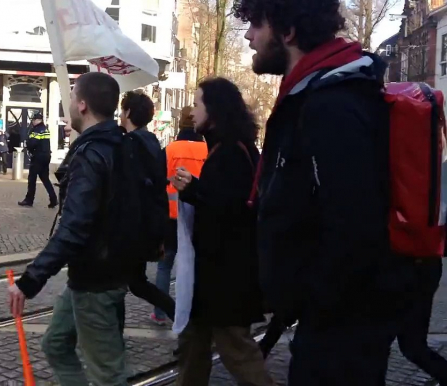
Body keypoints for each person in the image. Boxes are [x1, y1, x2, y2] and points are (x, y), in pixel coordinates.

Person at [233, 0, 416, 384]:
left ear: (288, 31)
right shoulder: (316, 95)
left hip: (340, 332)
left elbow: (353, 226)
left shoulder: (329, 105)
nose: (249, 36)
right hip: (333, 322)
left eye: (255, 24)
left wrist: (311, 299)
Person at [8, 72, 129, 386]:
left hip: (96, 280)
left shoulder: (92, 155)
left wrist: (30, 280)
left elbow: (74, 228)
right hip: (96, 275)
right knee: (56, 344)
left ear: (83, 105)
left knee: (108, 375)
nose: (68, 105)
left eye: (72, 98)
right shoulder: (116, 144)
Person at [171, 78, 273, 386]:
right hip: (217, 276)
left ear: (214, 110)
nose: (193, 111)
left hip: (225, 278)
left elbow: (229, 210)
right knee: (193, 346)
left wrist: (192, 190)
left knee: (237, 351)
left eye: (199, 103)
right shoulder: (229, 147)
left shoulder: (229, 153)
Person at [117, 90, 177, 323]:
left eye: (123, 110)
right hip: (149, 222)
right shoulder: (151, 142)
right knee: (137, 283)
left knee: (121, 284)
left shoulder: (130, 144)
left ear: (128, 112)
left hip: (133, 226)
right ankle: (179, 317)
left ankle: (115, 337)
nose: (121, 115)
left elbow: (129, 187)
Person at [151, 106, 207, 324]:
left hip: (171, 216)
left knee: (165, 266)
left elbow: (159, 182)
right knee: (194, 267)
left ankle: (160, 312)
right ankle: (192, 312)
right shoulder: (208, 149)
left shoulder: (170, 149)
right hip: (197, 217)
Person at [18, 112, 57, 208]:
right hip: (46, 156)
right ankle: (53, 199)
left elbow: (32, 143)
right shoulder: (45, 129)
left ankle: (29, 200)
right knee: (45, 178)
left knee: (32, 178)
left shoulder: (37, 130)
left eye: (33, 120)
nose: (32, 122)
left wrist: (28, 144)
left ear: (37, 120)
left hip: (38, 157)